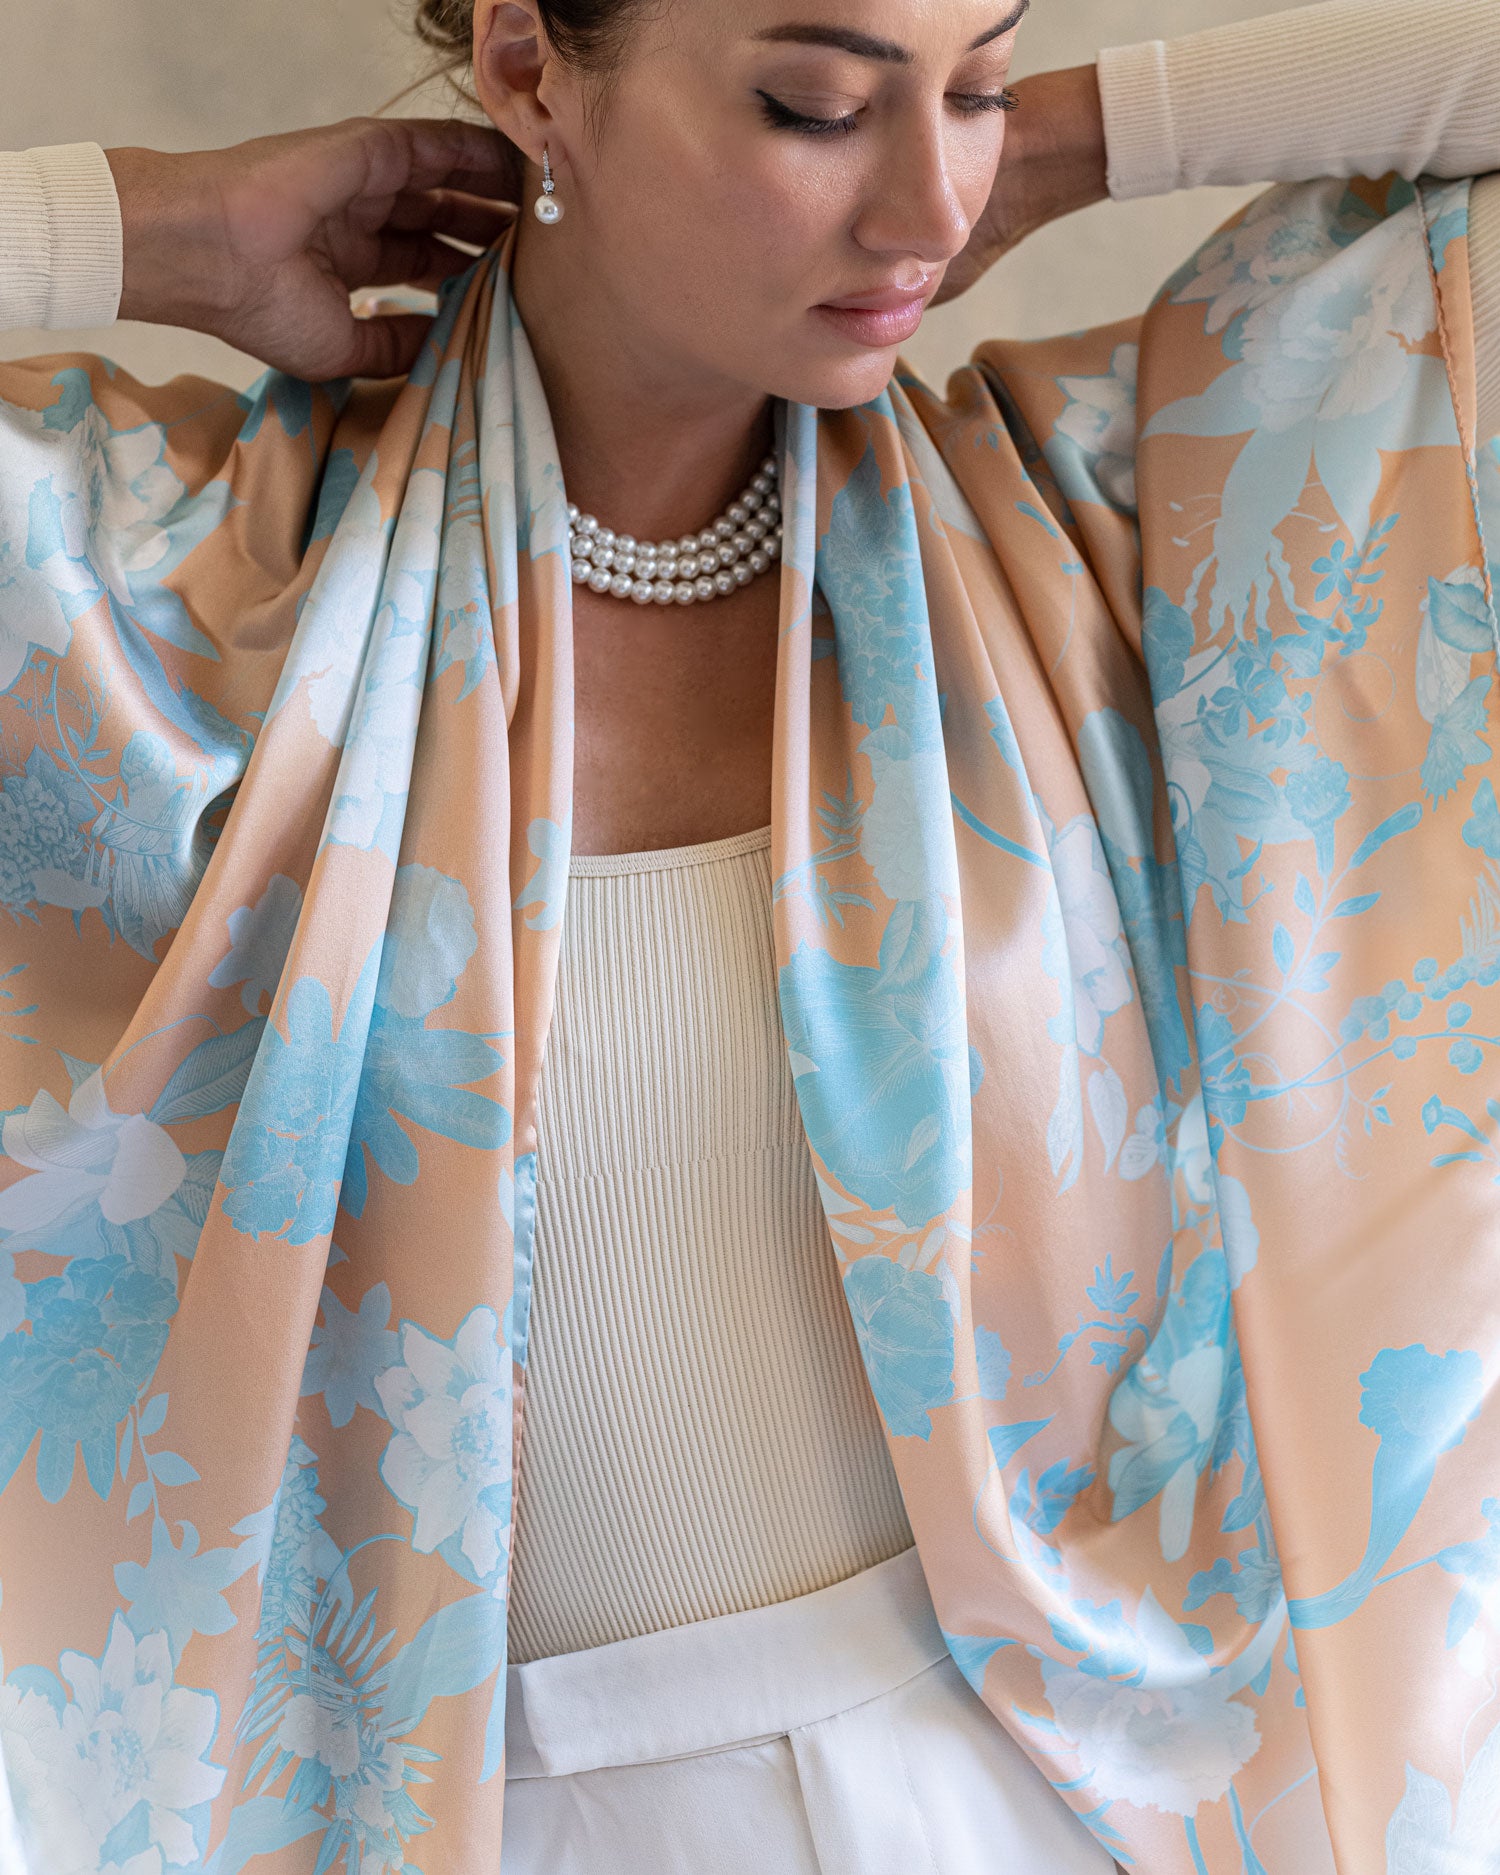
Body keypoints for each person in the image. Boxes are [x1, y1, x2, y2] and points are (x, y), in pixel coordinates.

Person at [0, 2, 1497, 1871]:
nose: (924, 209)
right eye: (817, 104)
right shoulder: (153, 607)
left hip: (1010, 1801)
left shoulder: (1115, 536)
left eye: (974, 83)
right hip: (445, 1817)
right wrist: (141, 230)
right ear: (533, 69)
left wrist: (1068, 143)